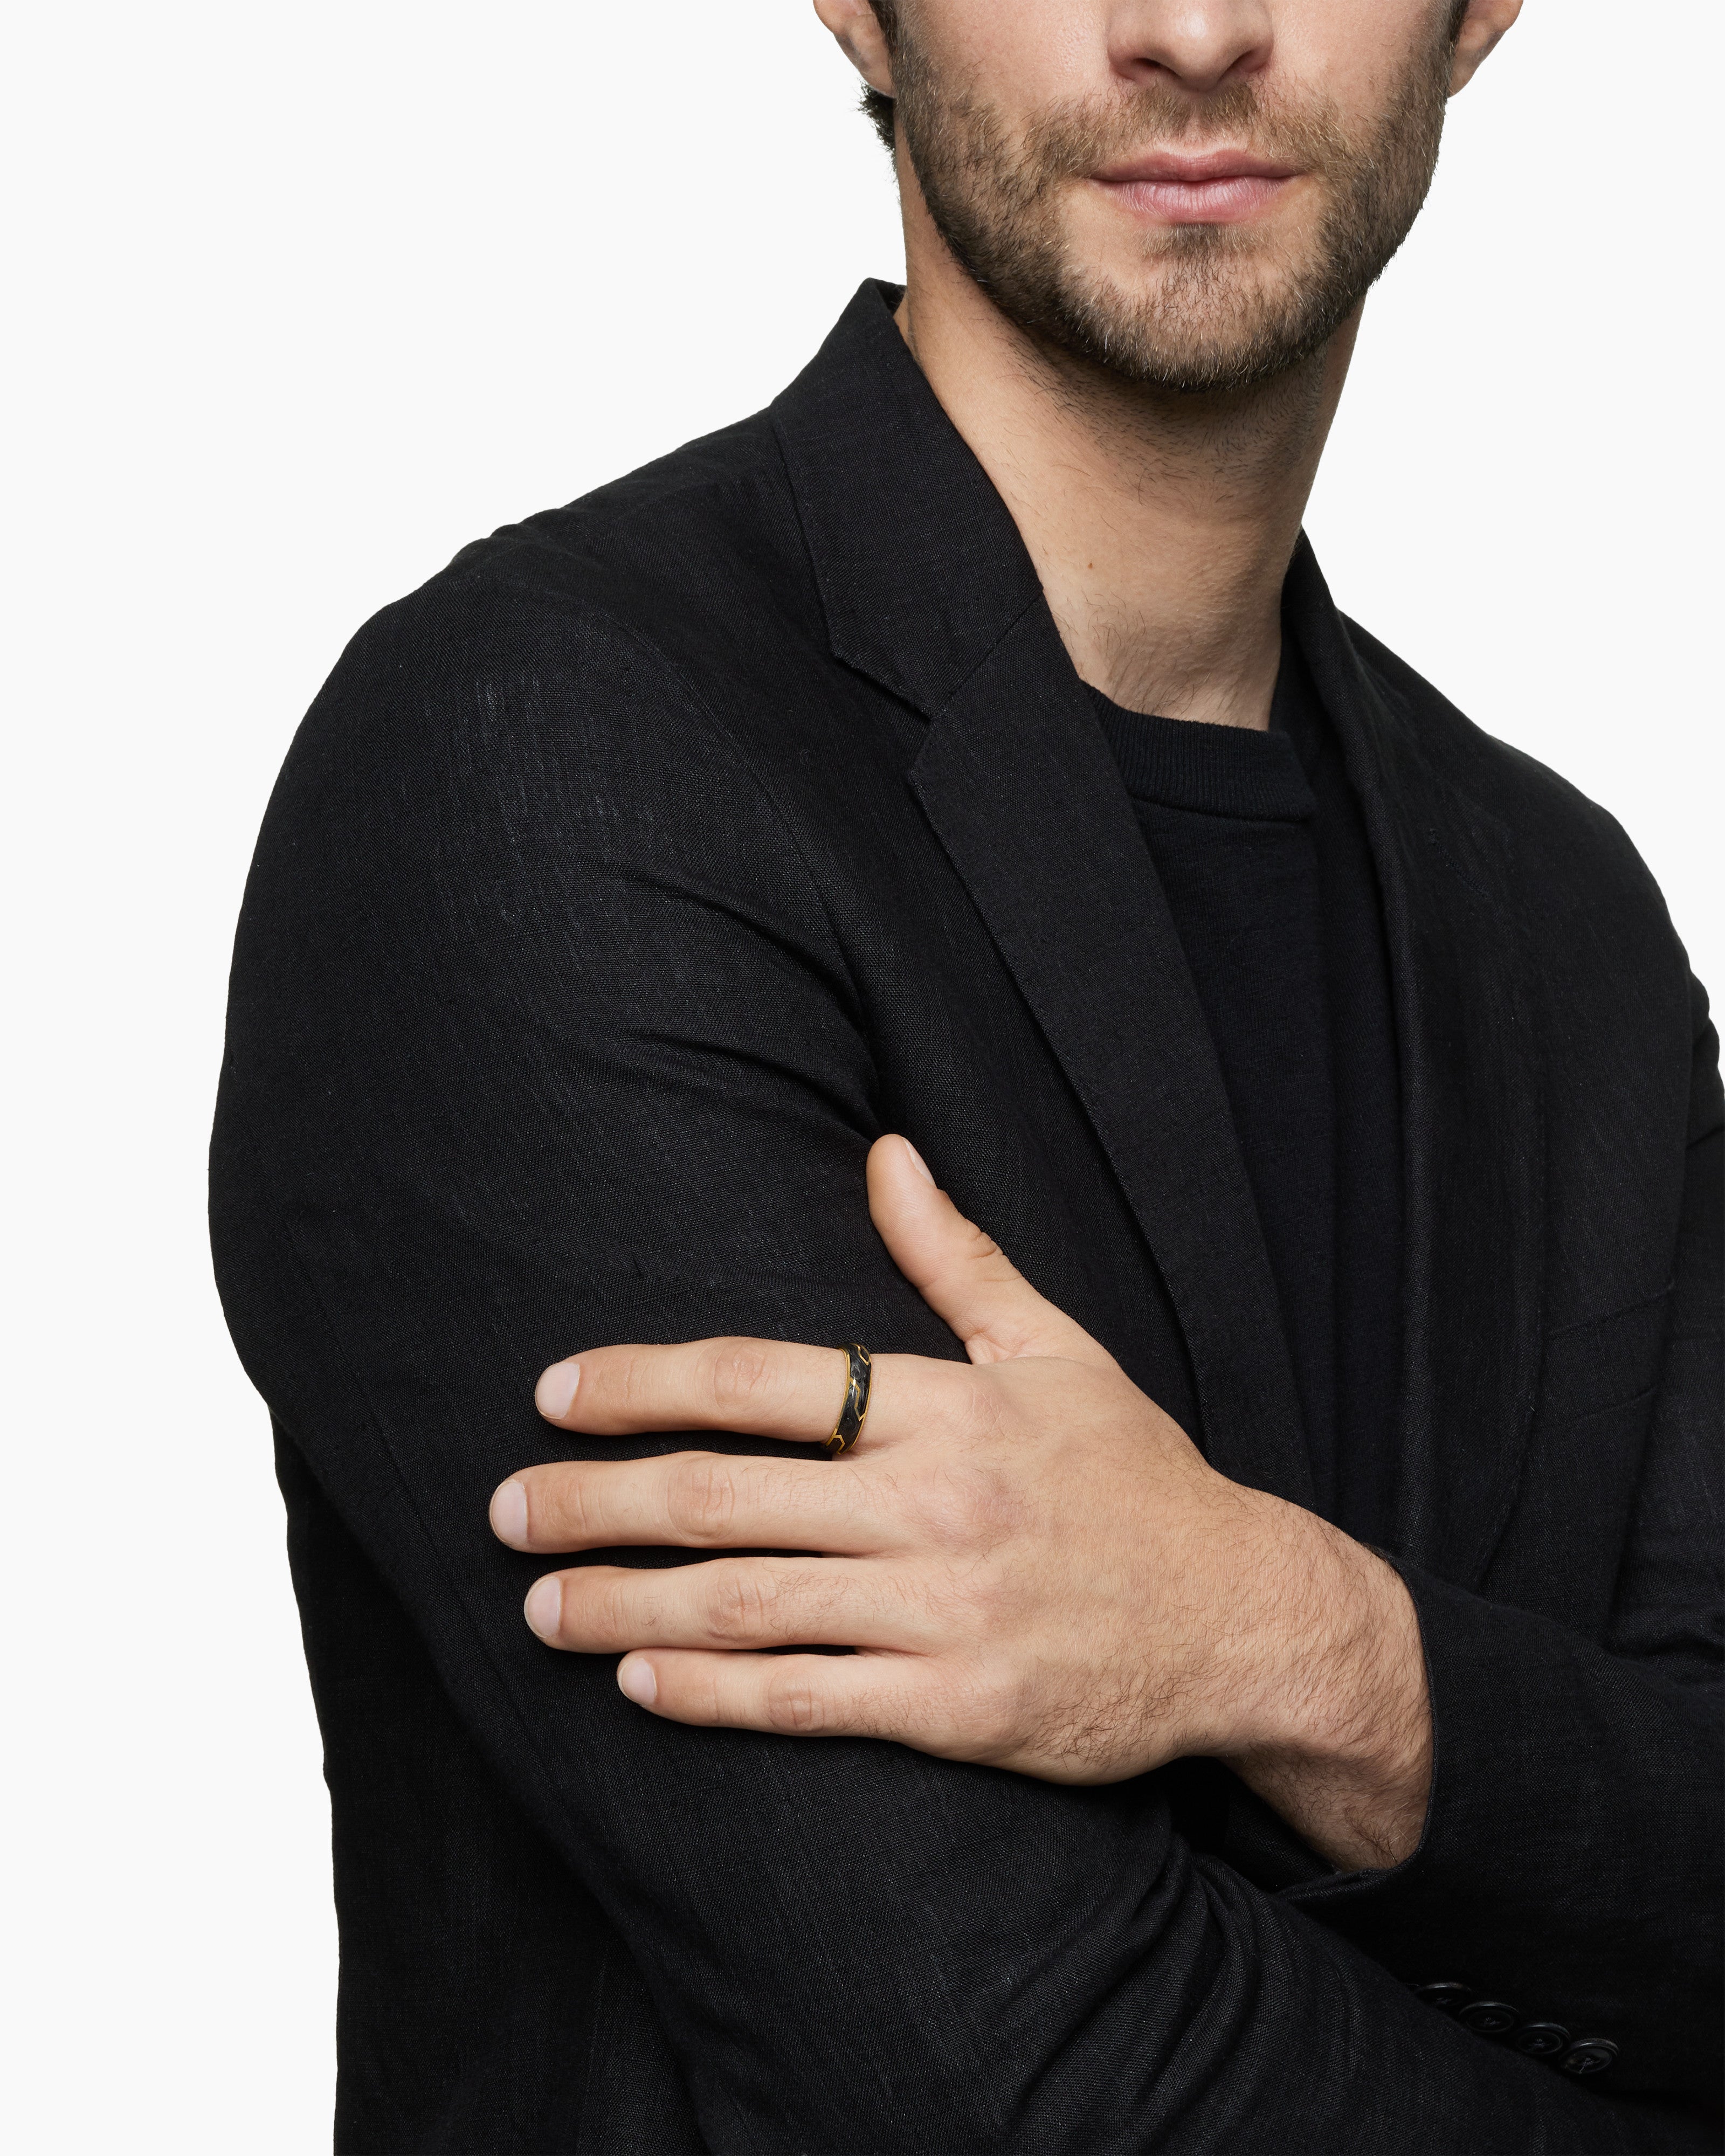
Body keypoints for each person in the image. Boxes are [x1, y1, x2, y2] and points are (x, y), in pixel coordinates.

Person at [210, 0, 1722, 2147]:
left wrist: (1299, 1645)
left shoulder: (1568, 923)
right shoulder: (542, 761)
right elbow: (1003, 2067)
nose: (1191, 30)